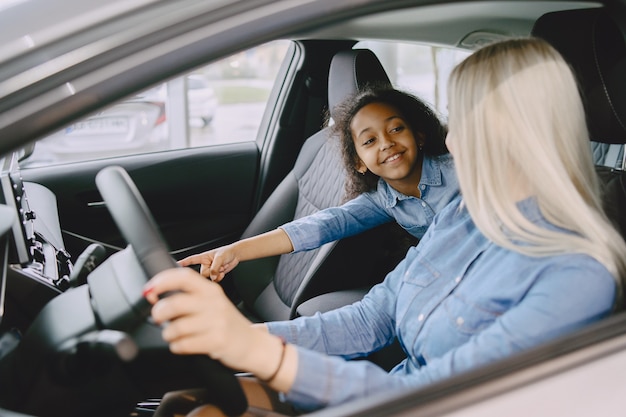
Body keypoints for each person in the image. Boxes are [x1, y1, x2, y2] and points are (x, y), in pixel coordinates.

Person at [144, 38, 626, 416]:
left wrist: (261, 353)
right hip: (384, 390)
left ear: (524, 133)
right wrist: (246, 339)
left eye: (467, 125)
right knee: (184, 402)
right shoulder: (460, 217)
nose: (452, 142)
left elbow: (426, 400)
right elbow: (372, 315)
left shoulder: (576, 276)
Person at [178, 86, 459, 282]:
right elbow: (318, 226)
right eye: (369, 140)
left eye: (396, 128)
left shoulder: (460, 167)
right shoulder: (382, 200)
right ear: (359, 162)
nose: (387, 143)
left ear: (419, 136)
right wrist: (234, 251)